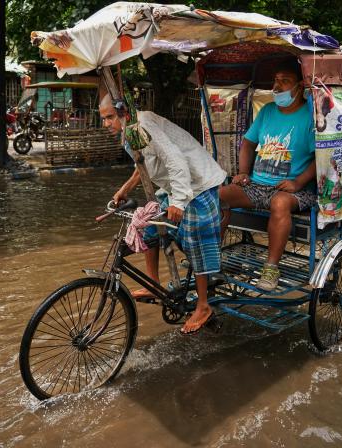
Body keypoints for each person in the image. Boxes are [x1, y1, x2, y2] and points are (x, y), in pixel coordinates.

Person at [100, 94, 227, 334]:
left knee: (194, 236)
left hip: (199, 183)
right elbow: (143, 165)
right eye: (103, 119)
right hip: (175, 185)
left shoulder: (144, 124)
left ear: (123, 113)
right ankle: (153, 282)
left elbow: (176, 160)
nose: (106, 123)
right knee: (147, 222)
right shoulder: (131, 130)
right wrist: (123, 190)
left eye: (109, 118)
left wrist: (178, 201)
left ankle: (203, 305)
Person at [219, 58, 317, 291]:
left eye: (284, 81)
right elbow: (248, 143)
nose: (277, 87)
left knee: (281, 203)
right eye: (275, 81)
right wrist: (243, 172)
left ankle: (271, 267)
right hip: (256, 185)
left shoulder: (311, 116)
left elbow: (320, 158)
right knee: (217, 195)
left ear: (299, 86)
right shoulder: (268, 111)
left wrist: (297, 182)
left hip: (295, 190)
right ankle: (213, 256)